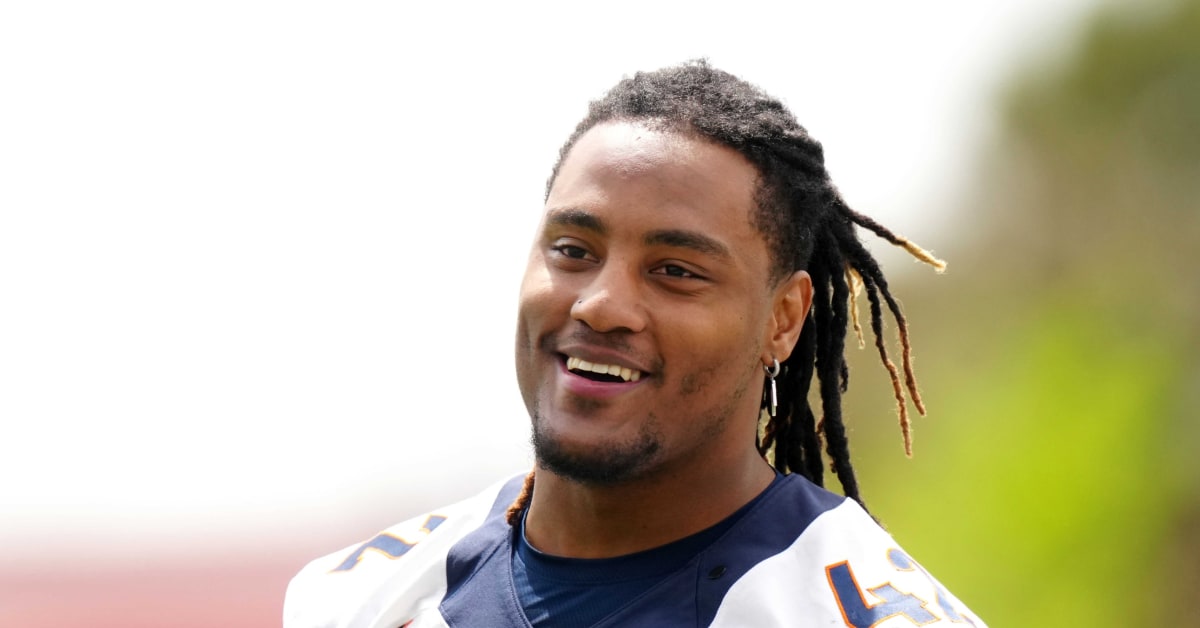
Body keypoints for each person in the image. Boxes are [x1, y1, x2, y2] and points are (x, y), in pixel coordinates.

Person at [284, 60, 985, 628]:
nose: (601, 304)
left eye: (675, 272)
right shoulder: (358, 599)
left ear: (783, 317)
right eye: (572, 249)